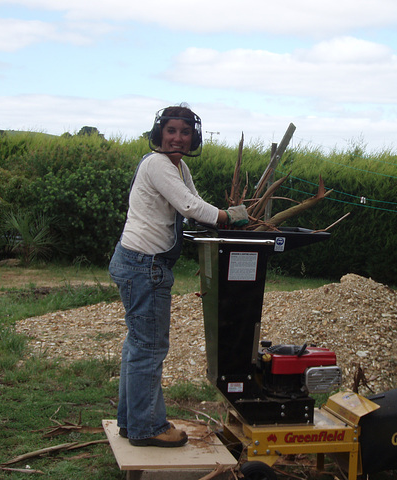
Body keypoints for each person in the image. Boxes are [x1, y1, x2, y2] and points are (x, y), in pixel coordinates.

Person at [108, 104, 247, 448]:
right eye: (172, 131)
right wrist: (229, 216)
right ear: (160, 133)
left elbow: (194, 202)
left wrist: (221, 217)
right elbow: (190, 208)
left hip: (139, 262)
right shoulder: (157, 164)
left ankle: (131, 421)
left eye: (185, 133)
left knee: (138, 345)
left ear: (193, 137)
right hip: (145, 266)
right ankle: (146, 427)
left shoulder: (178, 167)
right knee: (149, 347)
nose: (178, 139)